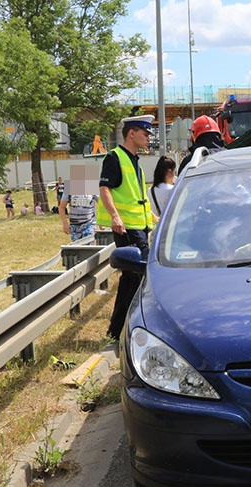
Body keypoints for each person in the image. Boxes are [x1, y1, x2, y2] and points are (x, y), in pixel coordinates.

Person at [98, 114, 155, 341]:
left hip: (140, 226)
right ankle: (118, 331)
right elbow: (104, 189)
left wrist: (157, 218)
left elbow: (138, 198)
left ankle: (121, 329)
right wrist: (115, 217)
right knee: (136, 276)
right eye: (145, 133)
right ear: (132, 133)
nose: (148, 138)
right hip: (127, 228)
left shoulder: (135, 162)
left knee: (135, 278)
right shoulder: (115, 157)